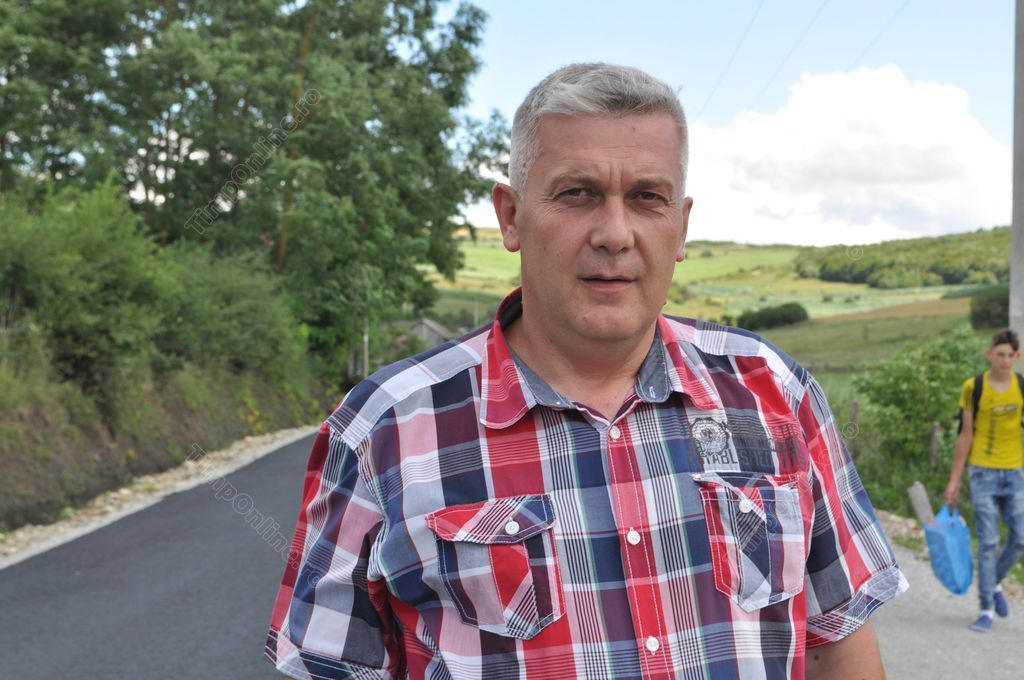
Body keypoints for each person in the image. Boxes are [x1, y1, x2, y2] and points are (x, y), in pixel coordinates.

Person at [266, 63, 907, 680]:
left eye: (647, 198)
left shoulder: (774, 393)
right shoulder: (384, 429)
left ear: (682, 226)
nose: (614, 234)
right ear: (511, 217)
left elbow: (836, 645)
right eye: (578, 194)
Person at [944, 328, 1024, 632]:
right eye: (999, 354)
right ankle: (986, 609)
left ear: (1017, 357)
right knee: (988, 541)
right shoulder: (973, 387)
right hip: (982, 472)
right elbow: (965, 435)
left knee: (1021, 537)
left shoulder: (1021, 386)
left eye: (1010, 355)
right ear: (989, 354)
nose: (1005, 360)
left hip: (1015, 471)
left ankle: (995, 581)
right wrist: (954, 481)